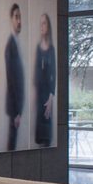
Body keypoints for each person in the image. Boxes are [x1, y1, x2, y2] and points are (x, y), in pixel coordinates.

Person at [4, 3, 25, 151]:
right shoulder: (10, 46)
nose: (19, 21)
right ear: (11, 19)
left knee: (13, 143)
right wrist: (17, 111)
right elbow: (11, 80)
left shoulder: (16, 44)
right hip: (14, 108)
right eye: (16, 17)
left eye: (20, 17)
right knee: (12, 145)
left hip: (16, 108)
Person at [34, 12, 56, 147]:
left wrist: (51, 98)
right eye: (40, 23)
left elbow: (53, 74)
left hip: (47, 95)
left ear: (48, 26)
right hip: (39, 93)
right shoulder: (37, 48)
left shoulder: (52, 49)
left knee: (46, 133)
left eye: (44, 23)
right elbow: (36, 72)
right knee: (38, 137)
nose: (42, 26)